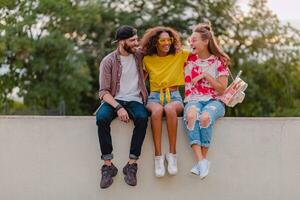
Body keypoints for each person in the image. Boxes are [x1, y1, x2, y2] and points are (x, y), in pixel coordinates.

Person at [96, 25, 148, 188]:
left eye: (136, 39)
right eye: (132, 40)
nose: (136, 43)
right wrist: (118, 107)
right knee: (101, 118)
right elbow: (103, 92)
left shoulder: (140, 56)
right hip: (114, 99)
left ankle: (131, 164)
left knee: (142, 117)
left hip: (135, 100)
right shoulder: (108, 61)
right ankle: (107, 166)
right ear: (121, 42)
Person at [140, 27, 189, 177]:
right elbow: (140, 81)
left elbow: (201, 53)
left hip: (174, 96)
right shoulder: (147, 59)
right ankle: (158, 157)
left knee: (169, 109)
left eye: (170, 39)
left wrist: (221, 57)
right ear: (155, 42)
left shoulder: (180, 55)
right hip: (154, 96)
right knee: (157, 111)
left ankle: (172, 155)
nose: (167, 43)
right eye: (163, 40)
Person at [183, 23, 230, 179]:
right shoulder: (188, 60)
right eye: (191, 40)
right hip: (194, 99)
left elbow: (223, 89)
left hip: (215, 101)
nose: (191, 43)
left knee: (204, 117)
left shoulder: (219, 61)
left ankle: (201, 163)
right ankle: (202, 162)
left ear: (205, 42)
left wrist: (206, 76)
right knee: (191, 116)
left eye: (194, 40)